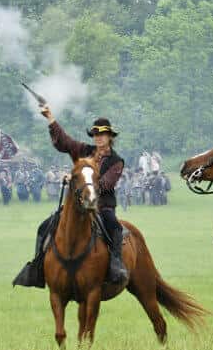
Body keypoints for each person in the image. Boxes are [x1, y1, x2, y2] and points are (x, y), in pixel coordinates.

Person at [13, 109, 128, 288]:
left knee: (114, 225)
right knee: (44, 226)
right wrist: (51, 119)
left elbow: (106, 184)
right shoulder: (85, 151)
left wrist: (77, 179)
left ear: (110, 137)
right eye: (95, 134)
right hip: (76, 205)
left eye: (102, 134)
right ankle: (37, 268)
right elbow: (64, 142)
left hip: (102, 206)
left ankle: (116, 265)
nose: (98, 138)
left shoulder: (116, 161)